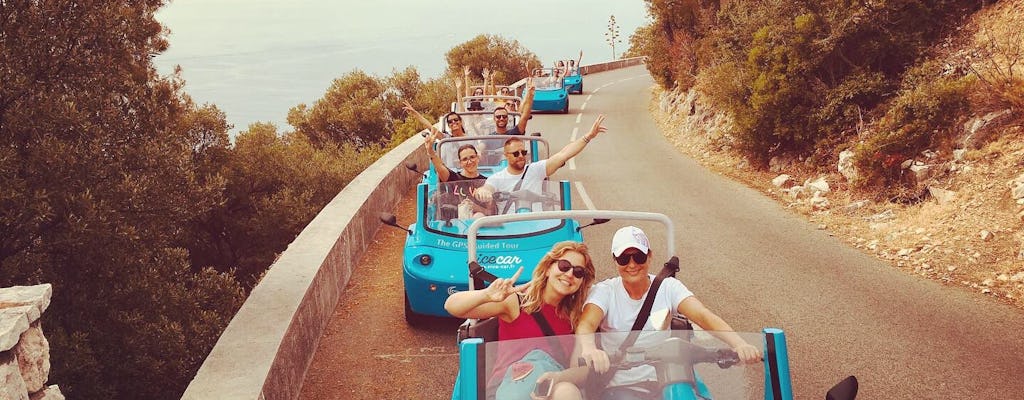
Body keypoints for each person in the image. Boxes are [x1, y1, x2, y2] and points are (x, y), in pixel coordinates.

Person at [575, 226, 763, 400]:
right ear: (615, 261)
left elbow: (703, 316)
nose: (632, 264)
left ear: (649, 257)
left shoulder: (667, 288)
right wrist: (589, 349)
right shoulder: (605, 291)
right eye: (624, 259)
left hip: (667, 381)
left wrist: (739, 344)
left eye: (638, 257)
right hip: (621, 387)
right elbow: (587, 324)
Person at [445, 241, 597, 400]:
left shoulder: (577, 319)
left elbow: (580, 371)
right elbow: (452, 306)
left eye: (578, 272)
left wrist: (557, 378)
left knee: (567, 391)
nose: (570, 274)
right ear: (548, 268)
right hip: (509, 388)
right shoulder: (517, 303)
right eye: (564, 266)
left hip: (548, 388)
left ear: (582, 281)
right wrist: (487, 295)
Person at [475, 115, 607, 214]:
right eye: (516, 153)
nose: (521, 156)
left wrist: (588, 136)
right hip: (509, 227)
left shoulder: (535, 169)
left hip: (537, 226)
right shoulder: (497, 178)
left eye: (524, 152)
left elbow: (564, 154)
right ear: (506, 155)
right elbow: (487, 188)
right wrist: (483, 192)